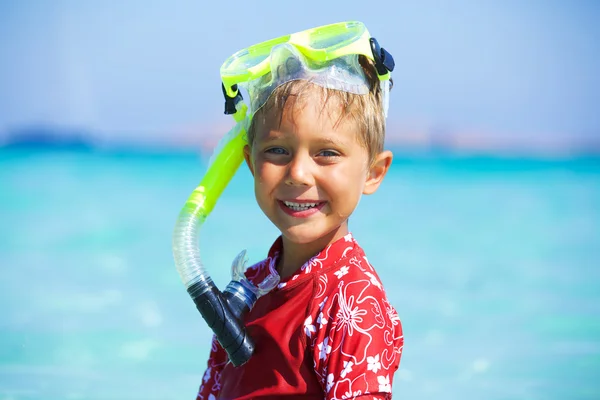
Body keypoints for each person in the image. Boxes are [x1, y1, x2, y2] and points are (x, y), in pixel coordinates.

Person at [197, 21, 403, 399]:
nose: (297, 173)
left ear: (373, 173)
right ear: (251, 162)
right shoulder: (252, 286)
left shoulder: (353, 303)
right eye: (277, 151)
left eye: (327, 153)